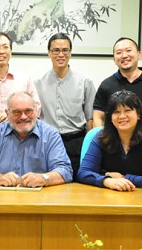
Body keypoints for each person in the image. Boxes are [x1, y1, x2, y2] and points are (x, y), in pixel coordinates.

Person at [0, 92, 72, 187]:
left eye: (28, 111)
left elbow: (65, 170)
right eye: (16, 112)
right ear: (7, 113)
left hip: (40, 198)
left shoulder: (50, 135)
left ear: (36, 111)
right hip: (2, 197)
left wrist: (44, 178)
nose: (23, 117)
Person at [78, 90, 142, 191]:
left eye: (128, 110)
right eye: (116, 112)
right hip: (108, 198)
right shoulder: (100, 138)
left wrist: (124, 178)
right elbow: (83, 173)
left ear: (139, 115)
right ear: (110, 118)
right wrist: (107, 181)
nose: (122, 116)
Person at [35, 33, 96, 180]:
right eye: (56, 50)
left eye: (65, 50)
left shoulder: (85, 82)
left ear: (70, 52)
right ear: (49, 53)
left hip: (75, 142)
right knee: (47, 182)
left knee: (76, 183)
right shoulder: (37, 84)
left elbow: (90, 119)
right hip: (47, 142)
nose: (60, 54)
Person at [92, 37, 142, 145]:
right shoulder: (106, 85)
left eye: (128, 50)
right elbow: (98, 118)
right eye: (119, 52)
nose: (124, 55)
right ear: (114, 59)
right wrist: (104, 144)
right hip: (114, 147)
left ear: (139, 54)